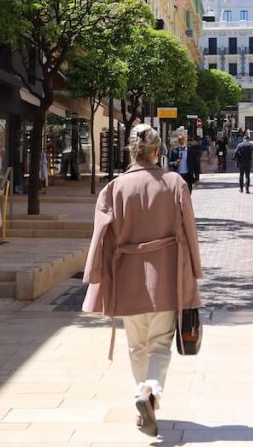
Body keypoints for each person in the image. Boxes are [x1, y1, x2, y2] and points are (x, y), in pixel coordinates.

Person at [81, 124, 203, 438]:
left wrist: (97, 275)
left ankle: (142, 393)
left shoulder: (113, 188)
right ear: (157, 150)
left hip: (127, 277)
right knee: (160, 344)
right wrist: (195, 271)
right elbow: (189, 230)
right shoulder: (175, 183)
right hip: (166, 276)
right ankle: (149, 392)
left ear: (132, 151)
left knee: (136, 345)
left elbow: (101, 237)